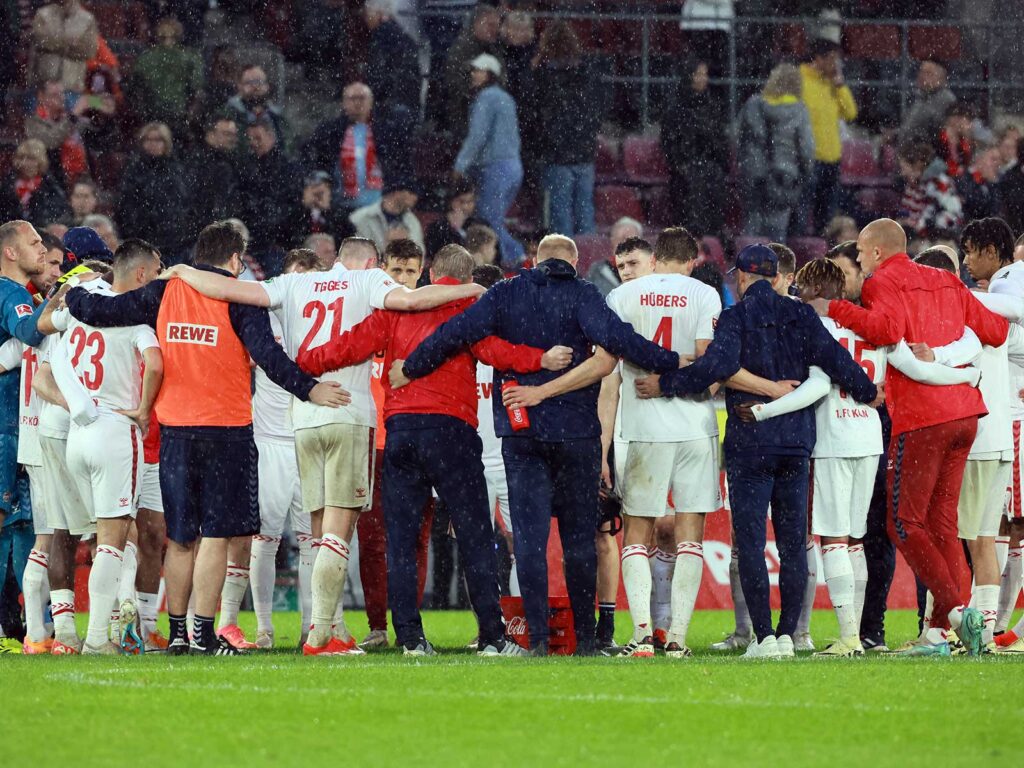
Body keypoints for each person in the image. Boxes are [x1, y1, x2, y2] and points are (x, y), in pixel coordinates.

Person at [158, 235, 491, 656]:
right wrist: (470, 288)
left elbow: (231, 289)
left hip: (304, 416)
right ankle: (321, 635)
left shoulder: (294, 284)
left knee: (312, 533)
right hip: (348, 411)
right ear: (371, 262)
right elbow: (410, 303)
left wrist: (187, 271)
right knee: (338, 530)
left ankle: (321, 627)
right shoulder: (369, 281)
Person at [65, 221, 349, 656]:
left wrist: (74, 290)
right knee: (215, 536)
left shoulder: (165, 291)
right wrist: (310, 388)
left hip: (177, 431)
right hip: (228, 431)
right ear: (235, 260)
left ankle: (177, 633)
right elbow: (269, 358)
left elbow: (104, 312)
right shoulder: (238, 297)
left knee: (180, 538)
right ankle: (202, 633)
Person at [400, 234, 683, 655]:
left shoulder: (506, 293)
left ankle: (537, 639)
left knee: (530, 541)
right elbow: (621, 340)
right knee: (578, 541)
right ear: (573, 261)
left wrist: (414, 363)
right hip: (576, 435)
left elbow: (457, 331)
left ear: (534, 260)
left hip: (523, 434)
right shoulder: (584, 294)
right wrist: (675, 364)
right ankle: (586, 640)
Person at [301, 244, 569, 656]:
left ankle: (410, 638)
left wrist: (305, 362)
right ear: (467, 279)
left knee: (402, 542)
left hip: (402, 432)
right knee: (476, 537)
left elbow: (349, 345)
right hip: (452, 432)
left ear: (429, 272)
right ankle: (494, 639)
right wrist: (542, 359)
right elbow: (497, 353)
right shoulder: (468, 310)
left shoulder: (398, 310)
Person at [636, 244, 878, 659]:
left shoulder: (736, 317)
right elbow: (837, 360)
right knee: (791, 544)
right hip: (796, 444)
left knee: (749, 542)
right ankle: (787, 635)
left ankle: (762, 636)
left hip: (750, 443)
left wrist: (666, 384)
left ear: (744, 278)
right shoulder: (801, 314)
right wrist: (868, 391)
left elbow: (715, 367)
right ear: (775, 277)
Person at [749, 257, 981, 656]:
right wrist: (966, 376)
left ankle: (849, 637)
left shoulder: (815, 326)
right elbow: (916, 368)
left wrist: (765, 409)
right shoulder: (874, 327)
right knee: (856, 541)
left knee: (835, 541)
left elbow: (819, 386)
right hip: (871, 436)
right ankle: (859, 634)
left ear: (812, 294)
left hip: (834, 437)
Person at [811, 218, 1010, 656]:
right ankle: (939, 633)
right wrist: (952, 352)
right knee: (941, 525)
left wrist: (835, 309)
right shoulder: (944, 279)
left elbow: (884, 330)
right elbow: (996, 331)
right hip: (966, 414)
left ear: (877, 252)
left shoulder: (883, 281)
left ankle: (960, 616)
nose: (859, 261)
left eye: (861, 253)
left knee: (902, 524)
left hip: (924, 417)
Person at [606, 227, 722, 658]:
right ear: (692, 261)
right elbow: (708, 365)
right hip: (694, 425)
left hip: (643, 428)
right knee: (690, 533)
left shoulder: (625, 295)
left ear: (655, 258)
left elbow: (608, 365)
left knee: (637, 532)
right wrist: (677, 378)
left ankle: (640, 637)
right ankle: (677, 638)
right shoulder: (704, 294)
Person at [60, 242, 164, 654]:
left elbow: (50, 355)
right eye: (156, 272)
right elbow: (154, 364)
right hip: (115, 431)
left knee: (100, 535)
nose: (158, 280)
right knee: (113, 538)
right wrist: (143, 409)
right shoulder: (138, 320)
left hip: (77, 431)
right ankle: (99, 638)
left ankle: (103, 627)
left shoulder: (79, 311)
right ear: (140, 275)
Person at [355, 240, 435, 649]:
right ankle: (377, 627)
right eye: (396, 271)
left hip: (415, 438)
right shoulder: (367, 316)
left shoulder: (427, 320)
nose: (402, 280)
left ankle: (410, 624)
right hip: (373, 441)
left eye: (409, 272)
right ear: (382, 270)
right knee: (373, 540)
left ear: (421, 274)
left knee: (416, 539)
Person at [241, 248, 321, 650]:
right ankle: (263, 628)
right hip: (269, 440)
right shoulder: (261, 318)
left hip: (309, 439)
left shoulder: (326, 323)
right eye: (296, 278)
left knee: (311, 541)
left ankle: (312, 627)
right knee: (265, 538)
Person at [0, 221, 66, 653]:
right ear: (10, 253)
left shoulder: (23, 296)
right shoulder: (11, 295)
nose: (42, 249)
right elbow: (27, 333)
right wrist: (66, 300)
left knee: (26, 524)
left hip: (17, 425)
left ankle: (35, 626)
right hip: (5, 427)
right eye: (34, 243)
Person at [453, 54, 524, 269]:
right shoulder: (506, 97)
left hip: (495, 168)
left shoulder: (486, 98)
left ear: (490, 74)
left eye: (479, 70)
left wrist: (460, 164)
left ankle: (517, 258)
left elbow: (478, 136)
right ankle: (510, 260)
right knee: (495, 219)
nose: (474, 74)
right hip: (513, 166)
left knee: (489, 220)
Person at [533, 21, 601, 237]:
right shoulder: (587, 72)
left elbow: (538, 114)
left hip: (558, 156)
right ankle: (589, 265)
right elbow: (596, 110)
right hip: (584, 153)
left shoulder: (544, 76)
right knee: (585, 213)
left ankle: (564, 265)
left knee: (561, 217)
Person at [739, 64, 815, 240]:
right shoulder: (799, 110)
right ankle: (774, 263)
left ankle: (749, 262)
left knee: (752, 225)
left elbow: (739, 138)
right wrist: (806, 171)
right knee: (777, 228)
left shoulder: (753, 104)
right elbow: (806, 148)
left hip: (754, 174)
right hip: (784, 175)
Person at [662, 58, 727, 237]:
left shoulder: (712, 106)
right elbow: (670, 144)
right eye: (698, 74)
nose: (702, 78)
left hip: (710, 170)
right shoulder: (675, 109)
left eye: (704, 74)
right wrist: (683, 165)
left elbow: (720, 142)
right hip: (686, 174)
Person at [800, 39, 857, 234]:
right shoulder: (799, 80)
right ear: (818, 59)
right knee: (802, 212)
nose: (836, 65)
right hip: (809, 158)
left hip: (832, 158)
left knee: (827, 217)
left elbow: (850, 113)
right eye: (832, 59)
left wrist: (840, 86)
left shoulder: (833, 85)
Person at [302, 82, 388, 212]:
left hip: (377, 207)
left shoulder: (385, 130)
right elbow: (314, 161)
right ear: (344, 103)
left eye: (362, 98)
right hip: (340, 206)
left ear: (371, 102)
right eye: (353, 98)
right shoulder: (329, 130)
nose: (357, 103)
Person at [115, 122, 192, 264]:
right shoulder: (133, 170)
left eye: (158, 140)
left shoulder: (176, 170)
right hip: (142, 241)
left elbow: (182, 204)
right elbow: (126, 205)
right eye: (148, 139)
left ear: (166, 143)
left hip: (172, 243)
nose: (153, 144)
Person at [237, 118, 303, 273]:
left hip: (278, 241)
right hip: (253, 240)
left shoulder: (288, 167)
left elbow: (291, 204)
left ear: (271, 137)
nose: (253, 143)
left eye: (258, 138)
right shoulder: (245, 167)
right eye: (250, 139)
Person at [125, 16, 204, 140]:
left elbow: (133, 90)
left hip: (153, 118)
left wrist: (143, 115)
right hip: (178, 119)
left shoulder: (145, 58)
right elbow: (198, 91)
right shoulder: (191, 57)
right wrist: (188, 118)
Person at [442, 3, 503, 133]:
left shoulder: (493, 48)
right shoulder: (462, 49)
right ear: (476, 23)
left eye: (497, 25)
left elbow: (502, 77)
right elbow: (455, 84)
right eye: (490, 25)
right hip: (466, 115)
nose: (495, 30)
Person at [23, 79, 88, 187]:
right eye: (55, 95)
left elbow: (96, 133)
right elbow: (50, 141)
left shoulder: (70, 119)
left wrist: (99, 107)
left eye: (62, 94)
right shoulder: (32, 123)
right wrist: (72, 117)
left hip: (78, 180)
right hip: (50, 184)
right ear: (41, 97)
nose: (61, 98)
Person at [897, 141, 963, 241]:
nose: (902, 173)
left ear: (917, 166)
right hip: (916, 238)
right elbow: (907, 213)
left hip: (941, 240)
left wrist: (919, 225)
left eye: (904, 168)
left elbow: (953, 217)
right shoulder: (914, 184)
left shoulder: (939, 184)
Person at [186, 116, 241, 234]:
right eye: (227, 134)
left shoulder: (233, 162)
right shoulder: (197, 162)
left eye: (234, 135)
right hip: (203, 232)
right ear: (210, 134)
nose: (232, 139)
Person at [363, 0, 421, 113]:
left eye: (367, 14)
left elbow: (379, 73)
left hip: (393, 101)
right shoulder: (399, 34)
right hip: (403, 100)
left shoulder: (384, 36)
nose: (365, 19)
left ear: (379, 14)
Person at [30, 1, 98, 94]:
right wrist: (71, 42)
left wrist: (54, 43)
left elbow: (89, 51)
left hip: (73, 88)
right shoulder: (42, 15)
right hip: (43, 88)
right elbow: (40, 40)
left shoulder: (87, 19)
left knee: (98, 103)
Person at [0, 139, 71, 229]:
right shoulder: (6, 185)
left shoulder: (51, 186)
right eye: (21, 158)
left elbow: (58, 212)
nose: (25, 163)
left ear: (40, 161)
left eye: (31, 159)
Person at [222, 64, 289, 156]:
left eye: (260, 81)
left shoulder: (277, 116)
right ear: (239, 86)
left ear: (267, 86)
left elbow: (289, 149)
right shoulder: (228, 113)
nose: (255, 86)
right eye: (249, 82)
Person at [349, 181, 424, 254]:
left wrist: (407, 245)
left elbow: (421, 256)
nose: (416, 198)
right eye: (411, 192)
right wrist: (388, 245)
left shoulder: (412, 221)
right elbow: (355, 254)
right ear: (397, 192)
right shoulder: (360, 218)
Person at [900, 60, 957, 146]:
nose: (922, 76)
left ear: (941, 78)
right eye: (921, 72)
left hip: (926, 153)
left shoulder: (946, 100)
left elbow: (937, 130)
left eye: (928, 73)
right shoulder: (920, 97)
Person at [585, 217, 643, 297]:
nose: (624, 243)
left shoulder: (650, 273)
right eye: (620, 238)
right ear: (612, 241)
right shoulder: (596, 270)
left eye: (630, 239)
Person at [294, 171, 354, 248]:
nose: (317, 196)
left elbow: (349, 239)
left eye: (322, 192)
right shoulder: (295, 217)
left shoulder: (339, 217)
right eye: (313, 190)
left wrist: (327, 212)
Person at [424, 178, 479, 260]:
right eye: (462, 202)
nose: (466, 206)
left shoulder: (479, 224)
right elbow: (435, 254)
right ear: (452, 202)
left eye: (470, 201)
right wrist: (455, 229)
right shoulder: (437, 227)